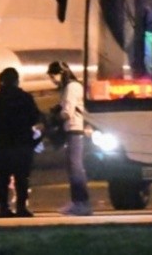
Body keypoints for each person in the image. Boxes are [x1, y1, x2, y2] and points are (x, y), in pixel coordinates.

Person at [0, 67, 40, 218]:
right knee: (21, 177)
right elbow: (34, 117)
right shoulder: (24, 97)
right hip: (22, 140)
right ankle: (21, 207)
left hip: (2, 141)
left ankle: (4, 208)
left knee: (2, 176)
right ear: (17, 80)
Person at [48, 60, 93, 216]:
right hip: (73, 129)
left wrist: (53, 119)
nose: (52, 80)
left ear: (60, 73)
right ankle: (77, 201)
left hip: (75, 129)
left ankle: (82, 202)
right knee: (73, 167)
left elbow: (67, 111)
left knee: (75, 167)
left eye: (53, 76)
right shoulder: (71, 87)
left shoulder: (71, 87)